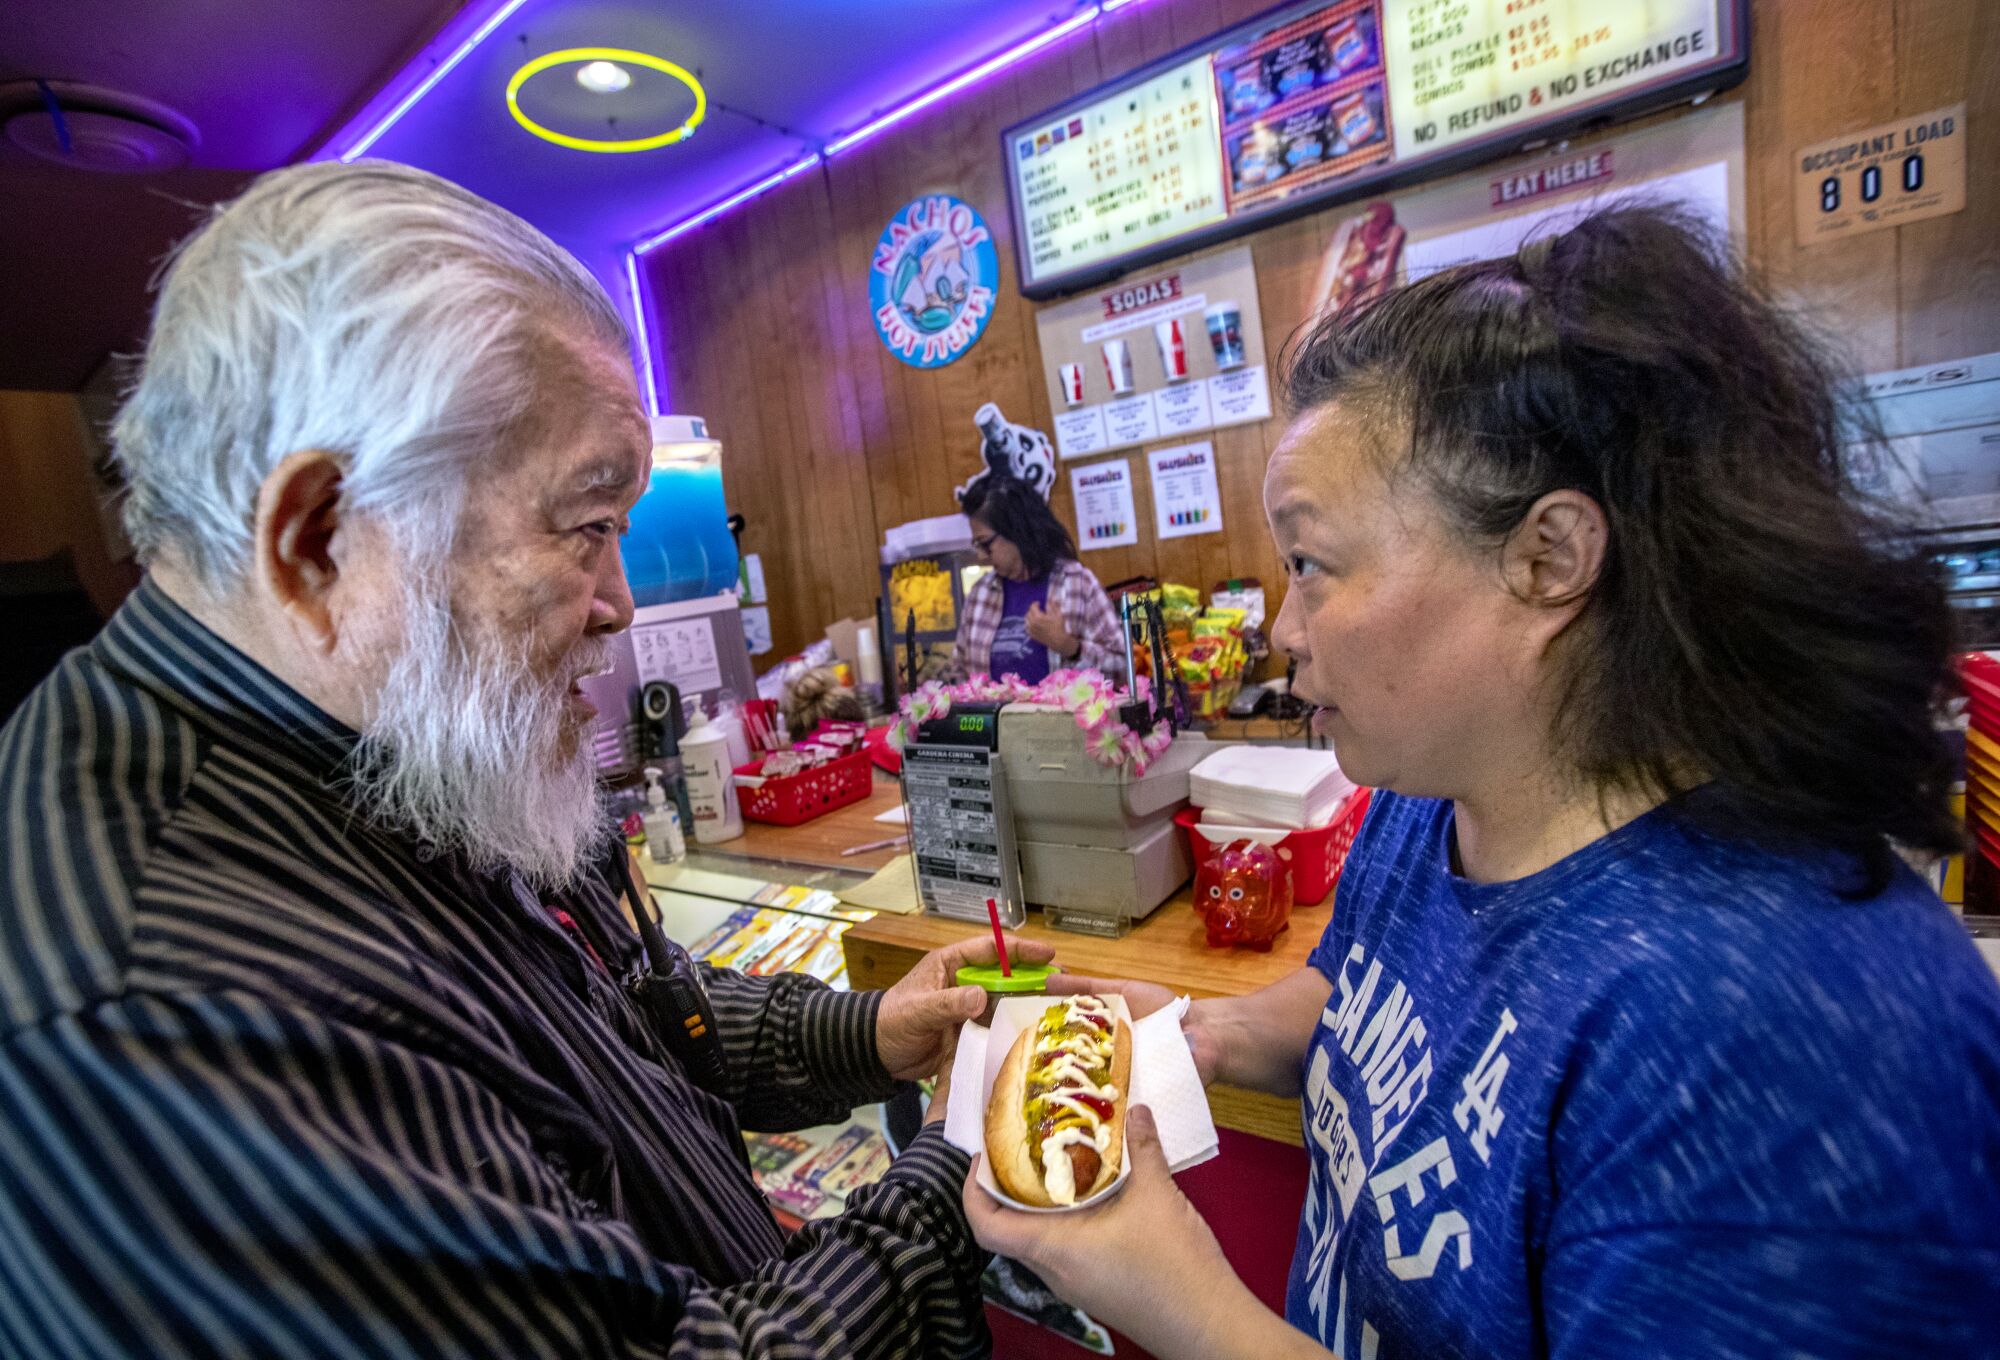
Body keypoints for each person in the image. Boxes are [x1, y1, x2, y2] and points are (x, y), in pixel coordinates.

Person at [0, 160, 1053, 1359]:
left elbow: (624, 1016)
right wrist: (976, 1135)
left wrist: (864, 1034)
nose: (617, 602)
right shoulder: (165, 1013)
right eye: (587, 526)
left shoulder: (382, 723)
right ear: (319, 542)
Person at [965, 205, 2000, 1358]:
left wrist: (1184, 1302)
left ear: (1548, 557)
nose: (1277, 627)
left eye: (1309, 562)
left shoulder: (1792, 1039)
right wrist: (1206, 1037)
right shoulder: (1433, 787)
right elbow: (1378, 999)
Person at [951, 473, 1125, 684]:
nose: (981, 556)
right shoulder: (981, 593)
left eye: (986, 544)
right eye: (977, 545)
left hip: (1059, 718)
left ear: (1017, 531)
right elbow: (959, 672)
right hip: (994, 717)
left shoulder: (1077, 582)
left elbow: (1123, 662)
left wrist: (1070, 647)